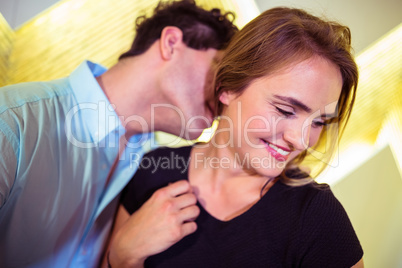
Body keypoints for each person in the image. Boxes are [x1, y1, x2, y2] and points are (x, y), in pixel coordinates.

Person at [106, 7, 364, 268]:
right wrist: (123, 256)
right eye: (285, 110)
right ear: (228, 87)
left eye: (319, 121)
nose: (300, 140)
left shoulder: (316, 217)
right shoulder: (153, 171)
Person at [0, 1, 238, 267]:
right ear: (171, 43)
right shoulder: (12, 121)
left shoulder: (154, 170)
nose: (225, 95)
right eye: (220, 68)